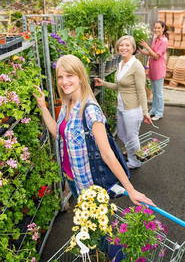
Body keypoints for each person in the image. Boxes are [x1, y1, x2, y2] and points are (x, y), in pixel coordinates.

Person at [34, 54, 155, 207]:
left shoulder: (90, 111)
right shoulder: (67, 104)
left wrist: (130, 190)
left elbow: (107, 154)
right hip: (71, 179)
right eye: (60, 77)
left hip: (88, 186)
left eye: (69, 75)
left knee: (95, 228)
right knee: (86, 226)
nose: (64, 81)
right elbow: (59, 134)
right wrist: (42, 106)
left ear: (80, 77)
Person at [94, 35, 152, 169]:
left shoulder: (136, 66)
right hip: (121, 107)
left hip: (132, 109)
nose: (124, 48)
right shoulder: (121, 63)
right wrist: (103, 83)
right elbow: (119, 86)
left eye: (127, 45)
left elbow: (141, 91)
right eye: (121, 45)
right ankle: (132, 152)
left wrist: (145, 112)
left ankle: (135, 161)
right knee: (121, 133)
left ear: (133, 48)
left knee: (132, 137)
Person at [139, 21, 169, 121]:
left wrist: (146, 46)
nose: (156, 30)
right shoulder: (155, 39)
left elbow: (156, 56)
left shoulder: (164, 41)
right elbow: (152, 53)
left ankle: (159, 113)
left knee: (159, 92)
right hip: (152, 68)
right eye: (155, 28)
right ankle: (154, 110)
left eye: (159, 28)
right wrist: (144, 52)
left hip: (159, 69)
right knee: (154, 91)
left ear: (163, 28)